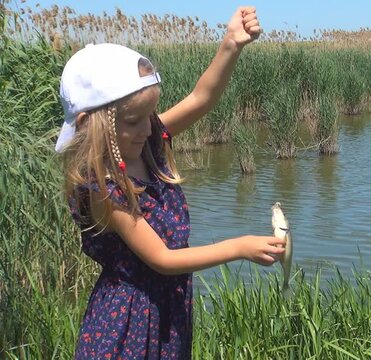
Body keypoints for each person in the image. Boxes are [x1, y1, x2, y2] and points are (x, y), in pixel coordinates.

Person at [54, 7, 285, 359]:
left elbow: (200, 99)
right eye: (134, 120)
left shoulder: (145, 145)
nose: (150, 129)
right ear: (90, 124)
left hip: (167, 312)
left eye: (151, 115)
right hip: (130, 322)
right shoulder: (103, 188)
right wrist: (239, 248)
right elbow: (162, 259)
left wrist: (231, 45)